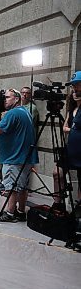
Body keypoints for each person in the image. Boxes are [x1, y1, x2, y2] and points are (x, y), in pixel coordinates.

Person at [0, 89, 39, 222]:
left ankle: (10, 213)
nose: (5, 100)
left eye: (7, 97)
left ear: (16, 99)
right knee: (23, 186)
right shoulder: (25, 111)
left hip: (14, 156)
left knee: (11, 186)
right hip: (25, 156)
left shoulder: (13, 113)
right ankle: (20, 211)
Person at [52, 71, 81, 209]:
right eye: (74, 86)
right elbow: (65, 127)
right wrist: (74, 130)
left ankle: (79, 207)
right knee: (57, 173)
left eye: (78, 85)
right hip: (70, 149)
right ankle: (58, 204)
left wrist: (73, 130)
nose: (75, 89)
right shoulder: (72, 109)